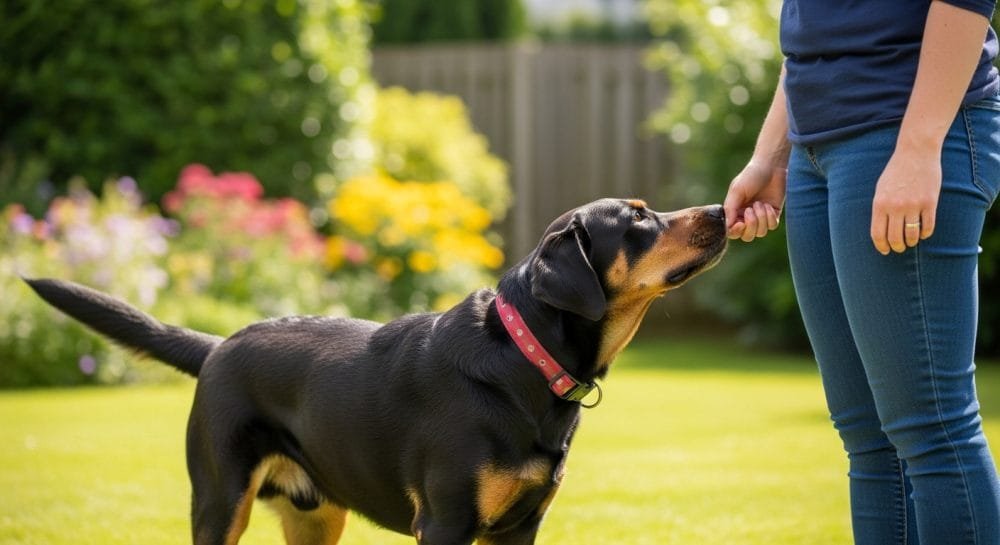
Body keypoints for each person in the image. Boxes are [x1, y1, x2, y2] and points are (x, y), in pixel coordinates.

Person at [723, 1, 1000, 543]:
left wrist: (919, 148)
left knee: (932, 429)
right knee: (868, 437)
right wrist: (770, 156)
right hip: (814, 147)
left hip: (902, 127)